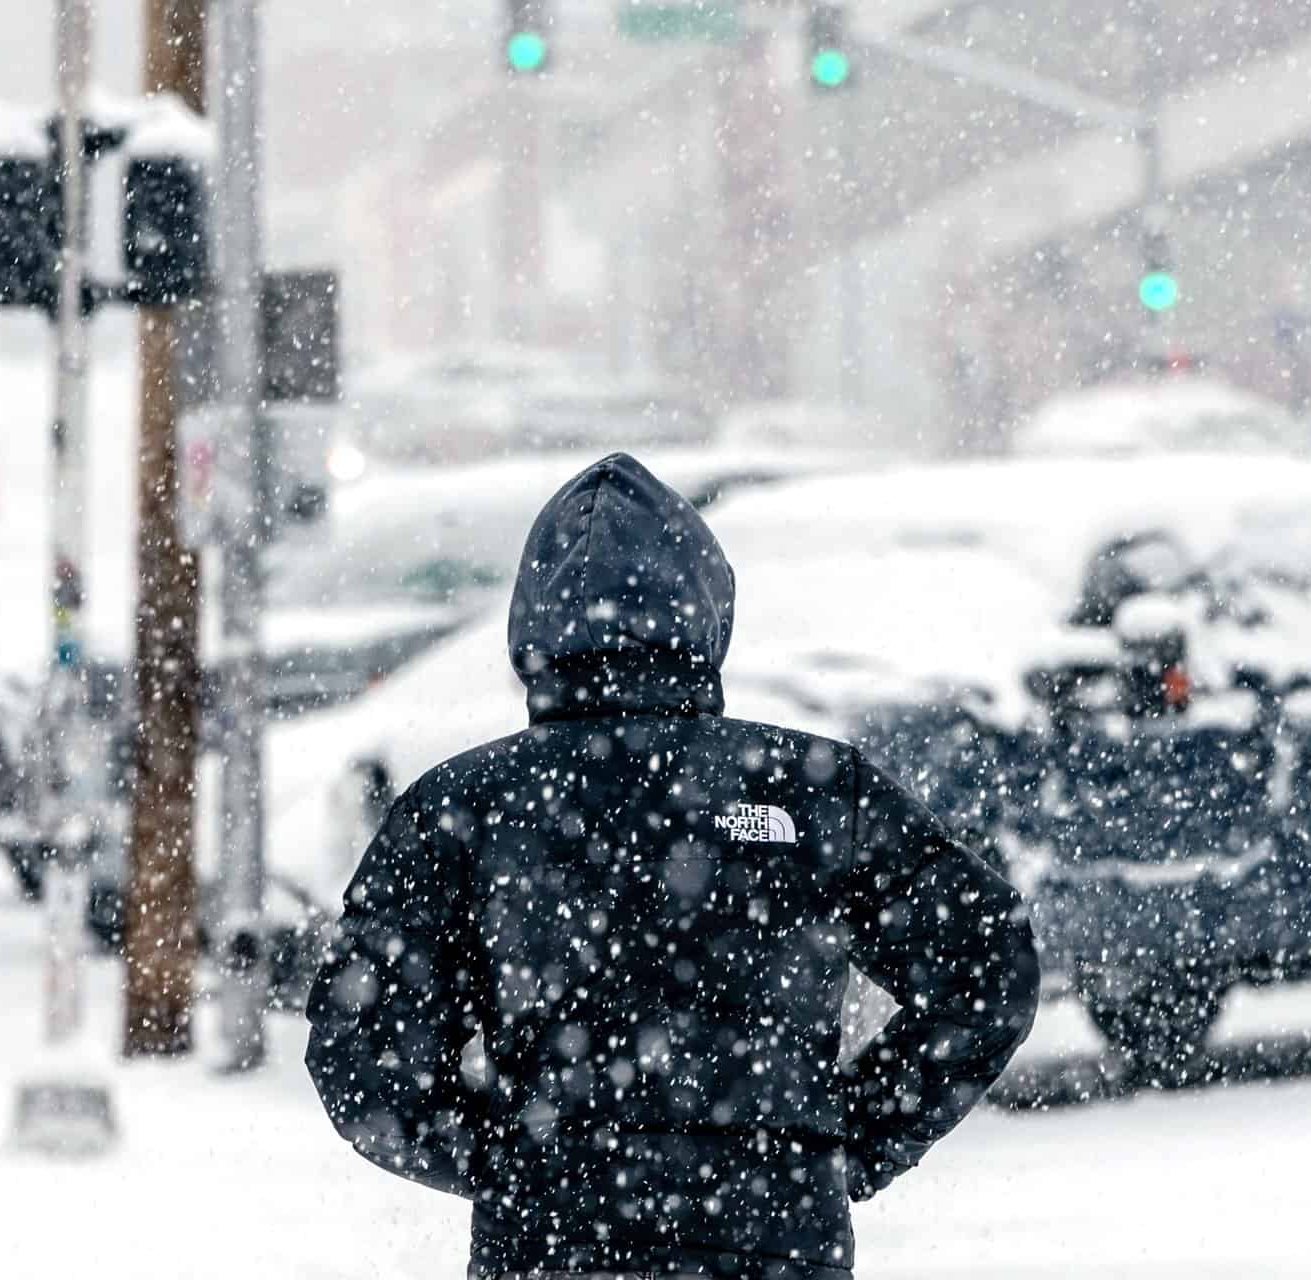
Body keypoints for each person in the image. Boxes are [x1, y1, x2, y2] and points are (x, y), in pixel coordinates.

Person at [307, 453, 1040, 1279]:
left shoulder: (465, 808)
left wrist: (513, 1168)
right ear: (705, 611)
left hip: (552, 1247)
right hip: (772, 1238)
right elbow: (987, 961)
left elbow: (363, 1053)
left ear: (532, 626)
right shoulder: (808, 790)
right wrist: (837, 1143)